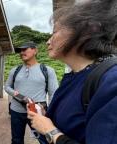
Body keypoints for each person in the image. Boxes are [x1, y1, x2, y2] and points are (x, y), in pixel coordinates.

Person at [27, 0, 117, 144]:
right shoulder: (73, 76)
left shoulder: (111, 81)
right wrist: (45, 119)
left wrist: (51, 131)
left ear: (84, 33)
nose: (47, 42)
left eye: (54, 32)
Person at [5, 41, 59, 144]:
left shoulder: (47, 70)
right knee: (16, 140)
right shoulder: (15, 70)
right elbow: (7, 87)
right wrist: (20, 96)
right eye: (20, 51)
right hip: (16, 111)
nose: (21, 52)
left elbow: (53, 93)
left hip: (37, 112)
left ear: (35, 50)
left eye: (25, 49)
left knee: (44, 140)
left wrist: (50, 112)